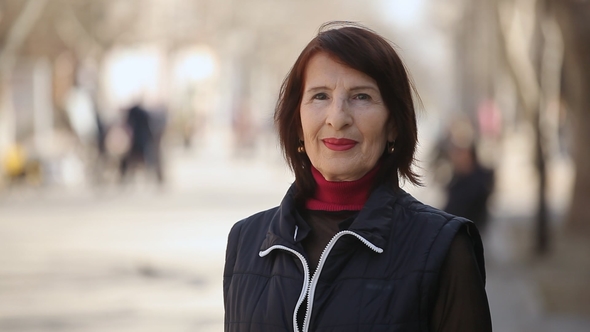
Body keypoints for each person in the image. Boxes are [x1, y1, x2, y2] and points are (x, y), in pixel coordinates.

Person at [224, 22, 492, 332]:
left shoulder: (443, 248)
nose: (337, 118)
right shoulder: (246, 242)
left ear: (393, 124)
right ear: (297, 121)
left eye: (361, 97)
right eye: (320, 96)